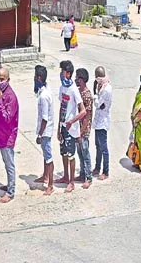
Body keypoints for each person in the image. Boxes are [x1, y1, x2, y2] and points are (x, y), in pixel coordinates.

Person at [56, 60, 87, 192]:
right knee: (63, 152)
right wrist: (59, 126)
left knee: (70, 155)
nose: (60, 73)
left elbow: (83, 111)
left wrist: (71, 122)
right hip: (63, 126)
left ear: (68, 73)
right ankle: (66, 176)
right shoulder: (62, 88)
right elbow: (61, 107)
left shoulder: (74, 90)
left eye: (62, 71)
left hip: (71, 129)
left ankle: (72, 182)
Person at [0, 68, 20, 203]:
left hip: (8, 136)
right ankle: (9, 184)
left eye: (2, 79)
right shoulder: (2, 93)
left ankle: (11, 191)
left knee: (9, 164)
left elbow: (7, 118)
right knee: (6, 162)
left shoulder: (10, 96)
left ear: (8, 79)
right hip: (1, 135)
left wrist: (0, 100)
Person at [34, 65, 55, 195]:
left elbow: (45, 118)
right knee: (45, 155)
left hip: (45, 131)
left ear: (39, 78)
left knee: (48, 157)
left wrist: (40, 135)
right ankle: (45, 176)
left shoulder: (43, 96)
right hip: (46, 129)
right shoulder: (45, 90)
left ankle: (50, 185)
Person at [91, 66, 112, 180]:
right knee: (97, 146)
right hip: (98, 120)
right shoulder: (101, 86)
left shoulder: (106, 89)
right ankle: (97, 167)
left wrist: (95, 96)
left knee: (104, 148)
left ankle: (106, 171)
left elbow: (98, 104)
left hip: (103, 122)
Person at [74, 68, 93, 189]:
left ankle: (88, 177)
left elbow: (87, 116)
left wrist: (81, 132)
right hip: (78, 128)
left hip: (83, 130)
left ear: (81, 79)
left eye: (77, 78)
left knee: (85, 153)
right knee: (79, 152)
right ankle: (82, 174)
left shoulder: (87, 95)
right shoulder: (79, 92)